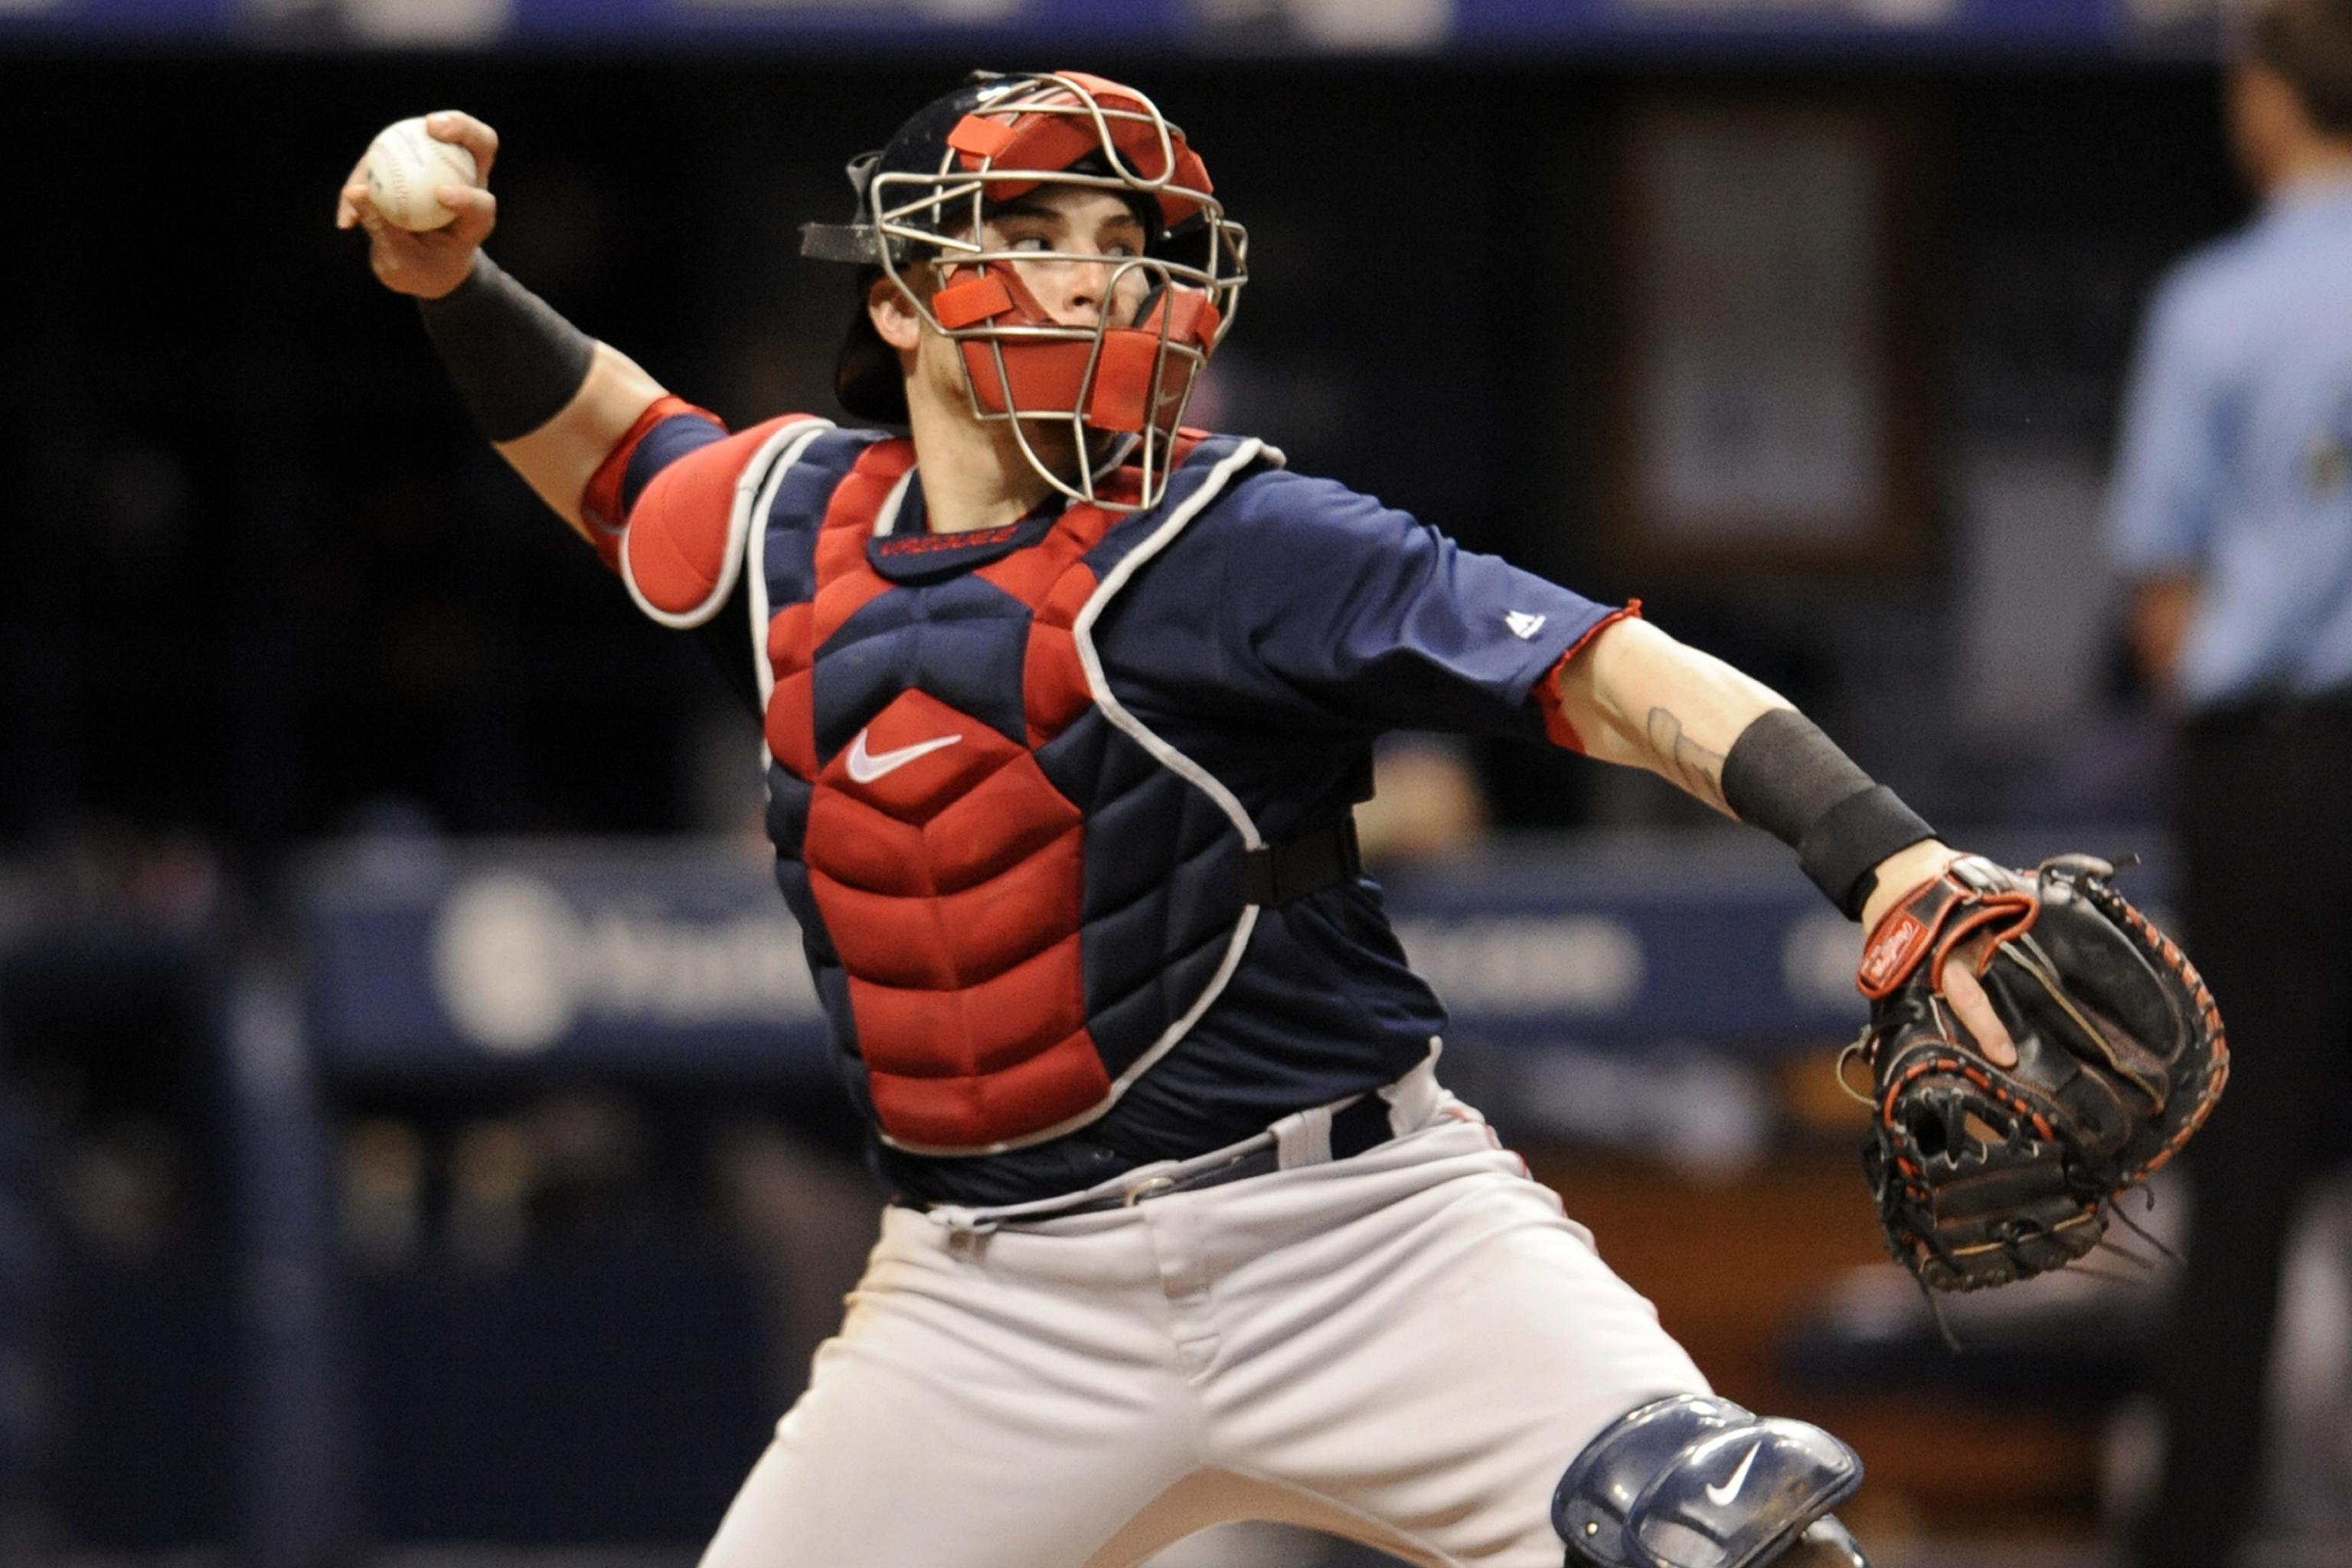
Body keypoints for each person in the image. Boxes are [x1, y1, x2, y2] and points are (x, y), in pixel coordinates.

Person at [338, 73, 2024, 1568]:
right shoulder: (788, 521)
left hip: (1365, 1244)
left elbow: (1606, 669)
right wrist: (445, 278)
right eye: (1038, 225)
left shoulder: (1238, 531)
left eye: (1126, 234)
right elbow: (612, 451)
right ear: (907, 305)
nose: (1101, 267)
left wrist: (1884, 852)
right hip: (985, 1301)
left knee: (1713, 1546)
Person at [2106, 5, 2352, 1564]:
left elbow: (2162, 601)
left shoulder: (2219, 304)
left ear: (2269, 103)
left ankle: (2195, 1544)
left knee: (2244, 1179)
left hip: (2278, 775)